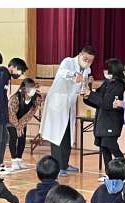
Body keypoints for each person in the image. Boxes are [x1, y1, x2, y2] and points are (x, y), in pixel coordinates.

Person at [40, 46, 95, 176]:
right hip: (57, 104)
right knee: (57, 135)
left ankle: (64, 164)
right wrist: (74, 75)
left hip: (69, 105)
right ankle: (57, 167)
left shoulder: (87, 69)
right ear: (80, 54)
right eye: (85, 59)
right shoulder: (68, 61)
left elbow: (81, 88)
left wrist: (87, 83)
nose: (87, 62)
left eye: (90, 61)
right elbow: (62, 73)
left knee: (68, 134)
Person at [0, 57, 28, 173]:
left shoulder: (5, 76)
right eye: (20, 70)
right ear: (12, 67)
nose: (20, 74)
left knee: (3, 138)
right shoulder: (2, 74)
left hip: (1, 113)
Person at [83, 58, 125, 174]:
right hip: (102, 121)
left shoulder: (119, 85)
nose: (105, 72)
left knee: (111, 146)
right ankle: (109, 174)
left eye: (107, 69)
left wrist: (91, 94)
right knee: (104, 148)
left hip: (112, 121)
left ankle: (124, 170)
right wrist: (88, 92)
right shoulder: (107, 82)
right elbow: (98, 97)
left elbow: (107, 103)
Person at [7, 78, 42, 170]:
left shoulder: (36, 98)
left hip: (22, 121)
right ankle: (14, 160)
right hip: (11, 120)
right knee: (13, 138)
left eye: (33, 87)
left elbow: (30, 113)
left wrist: (21, 125)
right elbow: (11, 114)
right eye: (30, 87)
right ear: (24, 88)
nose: (32, 89)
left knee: (22, 138)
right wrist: (17, 126)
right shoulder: (15, 98)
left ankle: (19, 158)